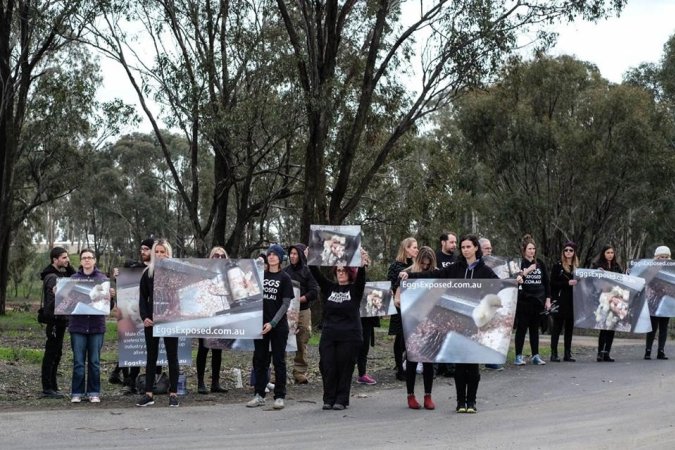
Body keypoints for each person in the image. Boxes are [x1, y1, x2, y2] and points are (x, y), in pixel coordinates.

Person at [401, 235, 498, 413]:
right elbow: (434, 275)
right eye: (462, 247)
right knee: (460, 365)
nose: (465, 250)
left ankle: (472, 402)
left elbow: (498, 285)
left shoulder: (485, 271)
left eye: (468, 246)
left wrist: (517, 281)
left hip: (475, 323)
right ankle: (461, 402)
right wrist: (411, 276)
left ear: (476, 248)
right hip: (457, 322)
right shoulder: (456, 268)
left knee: (473, 366)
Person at [309, 248, 370, 410]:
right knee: (327, 366)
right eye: (338, 270)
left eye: (344, 270)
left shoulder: (355, 290)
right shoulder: (330, 288)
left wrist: (363, 263)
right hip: (329, 335)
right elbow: (316, 275)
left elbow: (362, 279)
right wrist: (310, 257)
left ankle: (341, 400)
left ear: (350, 272)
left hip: (350, 335)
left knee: (345, 367)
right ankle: (328, 398)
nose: (341, 273)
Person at [247, 244, 294, 410]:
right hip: (260, 325)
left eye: (275, 254)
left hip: (278, 326)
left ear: (280, 258)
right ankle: (259, 394)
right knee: (260, 360)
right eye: (269, 254)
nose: (271, 257)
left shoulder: (285, 278)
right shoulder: (261, 275)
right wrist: (257, 263)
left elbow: (286, 303)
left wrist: (273, 323)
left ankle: (280, 396)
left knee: (279, 361)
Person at [136, 239, 181, 407]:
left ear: (169, 253)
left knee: (172, 357)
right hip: (152, 321)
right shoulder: (148, 272)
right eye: (158, 251)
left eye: (164, 251)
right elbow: (142, 297)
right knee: (151, 357)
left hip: (171, 320)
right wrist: (145, 316)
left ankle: (174, 393)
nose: (160, 254)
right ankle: (149, 393)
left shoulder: (176, 272)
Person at [109, 238, 157, 394]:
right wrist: (118, 274)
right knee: (134, 348)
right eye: (141, 249)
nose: (142, 252)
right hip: (136, 315)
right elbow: (124, 279)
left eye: (146, 249)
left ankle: (154, 381)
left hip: (157, 315)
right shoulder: (136, 269)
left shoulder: (160, 268)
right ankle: (130, 381)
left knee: (155, 350)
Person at [69, 249, 114, 403]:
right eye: (84, 258)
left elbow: (108, 306)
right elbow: (68, 302)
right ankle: (77, 393)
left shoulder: (102, 279)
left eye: (89, 258)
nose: (87, 260)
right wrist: (59, 292)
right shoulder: (73, 279)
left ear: (94, 260)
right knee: (78, 362)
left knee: (94, 362)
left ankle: (94, 392)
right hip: (78, 326)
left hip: (96, 326)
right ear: (80, 261)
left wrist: (110, 297)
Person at [399, 246, 437, 410]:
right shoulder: (406, 273)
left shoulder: (437, 273)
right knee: (412, 359)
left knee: (428, 360)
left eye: (428, 264)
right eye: (423, 264)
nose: (426, 267)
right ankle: (410, 395)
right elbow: (397, 297)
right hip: (412, 320)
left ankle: (428, 395)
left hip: (431, 320)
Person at [39, 247, 76, 398]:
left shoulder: (61, 273)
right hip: (54, 321)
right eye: (64, 258)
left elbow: (76, 278)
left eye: (67, 257)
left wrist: (69, 266)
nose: (67, 260)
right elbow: (52, 303)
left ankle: (53, 386)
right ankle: (47, 388)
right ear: (55, 260)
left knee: (57, 353)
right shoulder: (52, 277)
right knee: (51, 354)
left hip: (61, 321)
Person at [196, 246, 230, 394]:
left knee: (218, 350)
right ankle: (200, 383)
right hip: (205, 316)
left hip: (221, 315)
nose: (219, 258)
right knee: (203, 348)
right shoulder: (203, 273)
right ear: (211, 257)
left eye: (222, 256)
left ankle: (215, 383)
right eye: (216, 255)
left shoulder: (228, 275)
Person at [284, 243, 319, 384]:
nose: (292, 256)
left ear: (300, 255)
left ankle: (299, 372)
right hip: (286, 311)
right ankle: (278, 373)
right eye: (291, 254)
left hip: (303, 311)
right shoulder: (285, 271)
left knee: (301, 341)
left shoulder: (308, 271)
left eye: (295, 254)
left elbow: (314, 291)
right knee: (283, 341)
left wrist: (300, 299)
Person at [514, 234, 550, 366]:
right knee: (522, 328)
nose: (532, 251)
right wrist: (528, 270)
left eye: (533, 249)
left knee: (535, 329)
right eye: (529, 249)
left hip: (538, 301)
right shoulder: (519, 263)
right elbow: (515, 279)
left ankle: (535, 355)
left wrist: (548, 299)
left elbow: (546, 282)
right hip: (524, 301)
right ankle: (518, 356)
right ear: (524, 250)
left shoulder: (540, 263)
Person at [387, 237, 419, 380]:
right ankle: (399, 368)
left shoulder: (416, 265)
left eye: (417, 247)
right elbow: (391, 284)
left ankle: (409, 365)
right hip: (400, 305)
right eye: (414, 247)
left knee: (411, 338)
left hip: (413, 306)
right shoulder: (395, 266)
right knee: (400, 337)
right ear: (406, 248)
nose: (417, 250)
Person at [591, 244, 623, 362]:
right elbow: (591, 280)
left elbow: (622, 279)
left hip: (615, 299)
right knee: (604, 326)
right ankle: (600, 352)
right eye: (608, 253)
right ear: (603, 254)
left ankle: (607, 353)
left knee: (612, 326)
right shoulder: (597, 266)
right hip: (603, 300)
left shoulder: (616, 266)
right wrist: (597, 272)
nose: (610, 255)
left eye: (612, 253)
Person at [549, 242, 579, 362]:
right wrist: (566, 283)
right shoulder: (558, 266)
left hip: (573, 301)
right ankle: (554, 353)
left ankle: (567, 353)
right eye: (566, 250)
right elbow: (552, 283)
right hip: (561, 300)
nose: (568, 252)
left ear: (574, 252)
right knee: (557, 327)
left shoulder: (577, 267)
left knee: (569, 328)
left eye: (571, 250)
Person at [479, 238, 503, 371]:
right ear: (480, 249)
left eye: (490, 248)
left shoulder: (495, 263)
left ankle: (490, 360)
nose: (489, 250)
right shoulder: (476, 263)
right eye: (487, 248)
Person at [645, 245, 671, 360]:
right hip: (653, 301)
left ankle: (661, 350)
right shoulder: (651, 268)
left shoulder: (671, 270)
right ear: (656, 257)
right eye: (661, 256)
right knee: (652, 327)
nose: (664, 258)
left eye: (666, 256)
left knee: (664, 327)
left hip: (666, 303)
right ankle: (648, 350)